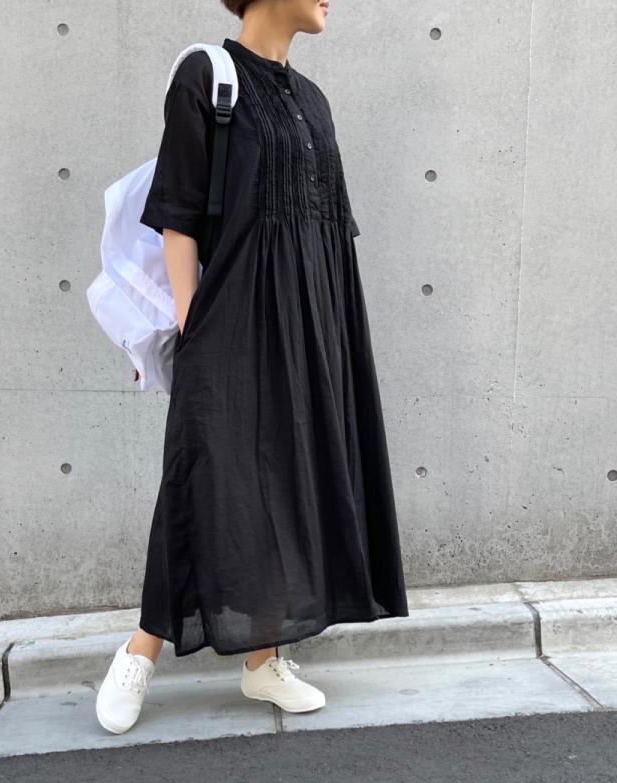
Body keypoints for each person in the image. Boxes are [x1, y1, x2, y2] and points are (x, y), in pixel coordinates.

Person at [96, 0, 409, 735]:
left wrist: (335, 331)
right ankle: (141, 648)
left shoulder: (314, 101)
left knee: (291, 476)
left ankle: (263, 658)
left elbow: (329, 229)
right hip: (230, 318)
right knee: (204, 477)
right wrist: (193, 323)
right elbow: (178, 215)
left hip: (313, 322)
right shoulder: (206, 76)